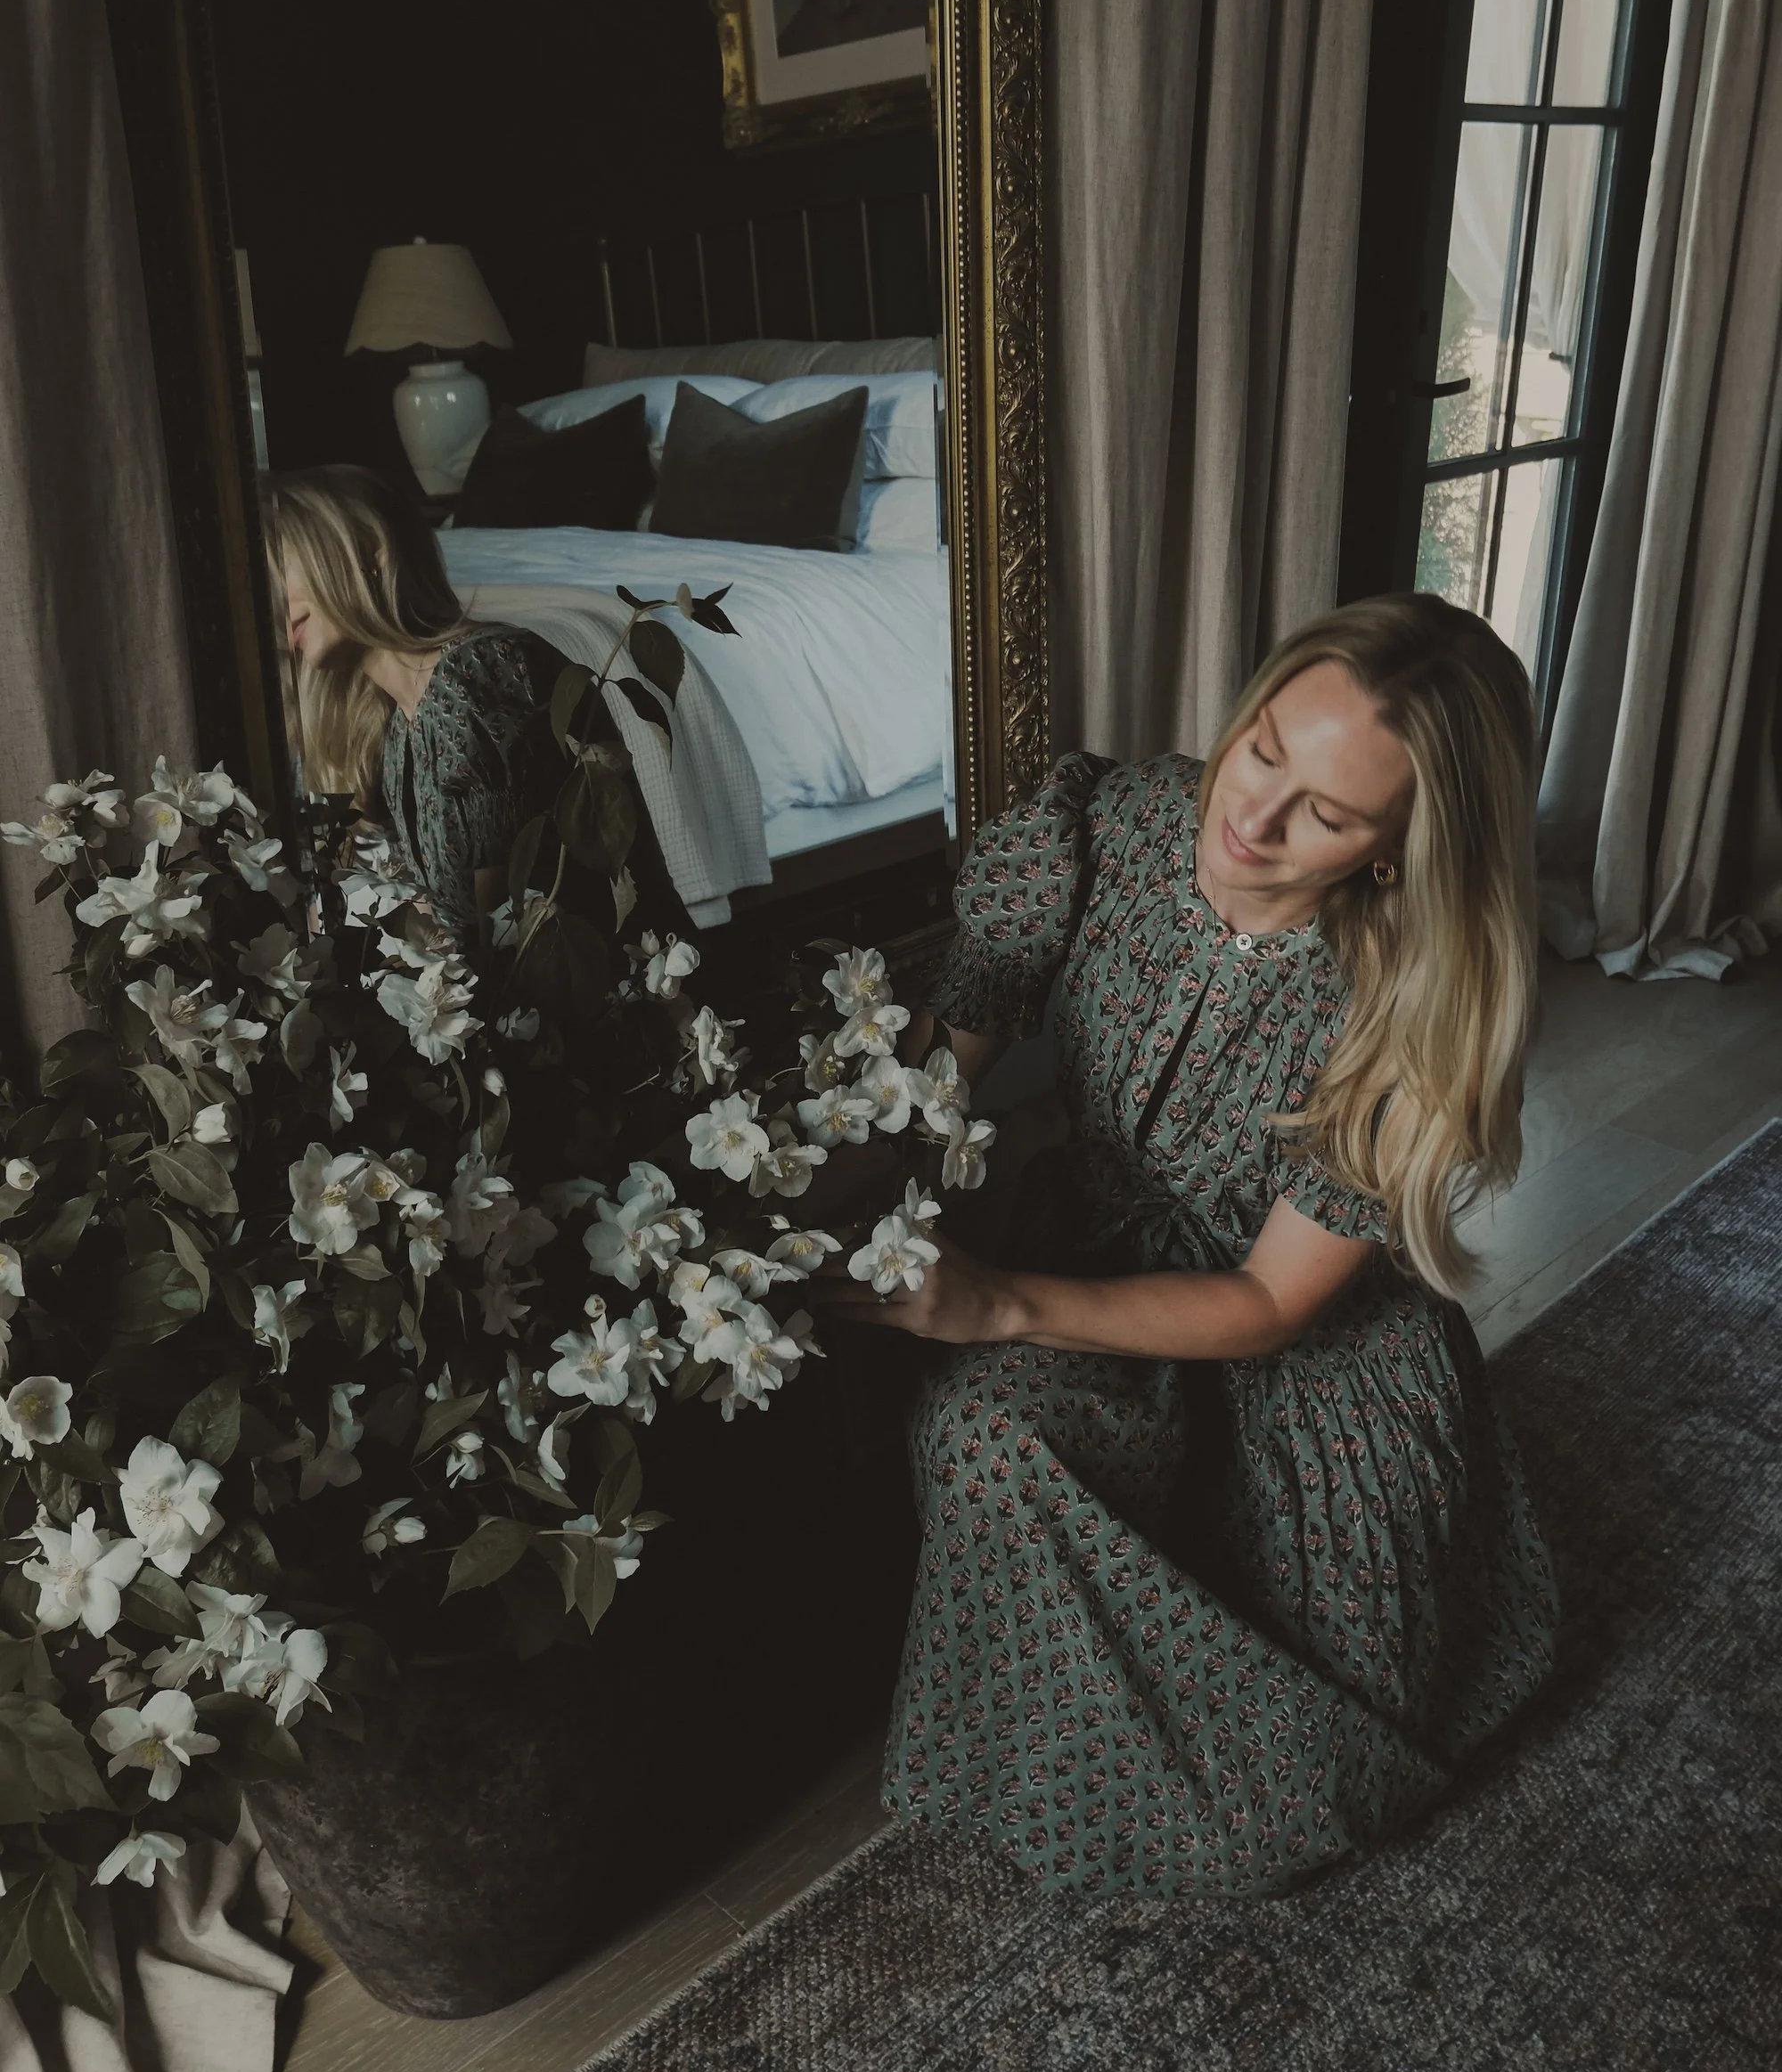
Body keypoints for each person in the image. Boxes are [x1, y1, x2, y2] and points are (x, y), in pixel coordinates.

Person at [826, 592, 1559, 1897]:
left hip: (1297, 1352)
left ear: (1397, 854)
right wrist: (822, 1178)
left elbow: (1271, 1300)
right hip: (1089, 1238)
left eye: (1325, 814)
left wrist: (998, 1306)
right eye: (1263, 746)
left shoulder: (1411, 1008)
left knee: (1320, 1726)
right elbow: (939, 1071)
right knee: (973, 1427)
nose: (1253, 816)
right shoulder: (1102, 825)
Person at [261, 463, 675, 956]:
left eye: (282, 567)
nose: (273, 599)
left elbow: (495, 940)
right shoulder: (397, 730)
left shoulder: (480, 673)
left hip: (602, 989)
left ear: (370, 552)